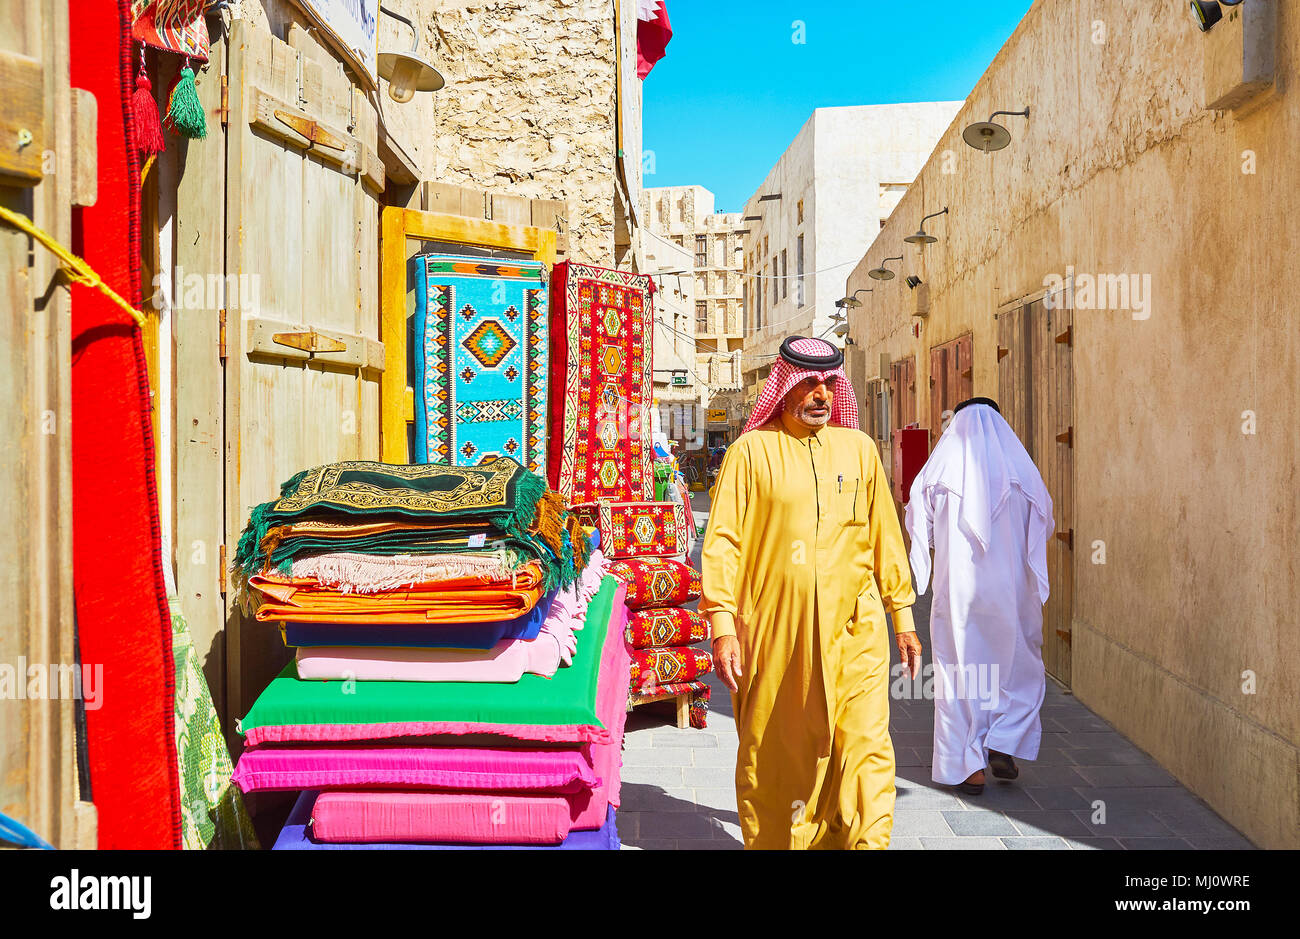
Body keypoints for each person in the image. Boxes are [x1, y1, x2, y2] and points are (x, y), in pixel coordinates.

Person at [700, 336, 921, 849]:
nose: (821, 393)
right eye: (808, 382)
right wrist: (722, 626)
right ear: (784, 385)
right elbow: (724, 544)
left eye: (828, 383)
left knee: (864, 748)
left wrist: (903, 615)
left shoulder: (859, 450)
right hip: (778, 636)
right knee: (779, 755)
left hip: (855, 632)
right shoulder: (750, 453)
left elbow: (884, 534)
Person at [904, 397, 1053, 795]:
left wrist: (925, 559)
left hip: (959, 593)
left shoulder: (942, 466)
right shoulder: (1021, 468)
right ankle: (1004, 739)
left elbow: (916, 515)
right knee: (1016, 665)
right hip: (1012, 593)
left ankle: (968, 766)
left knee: (960, 672)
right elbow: (1046, 518)